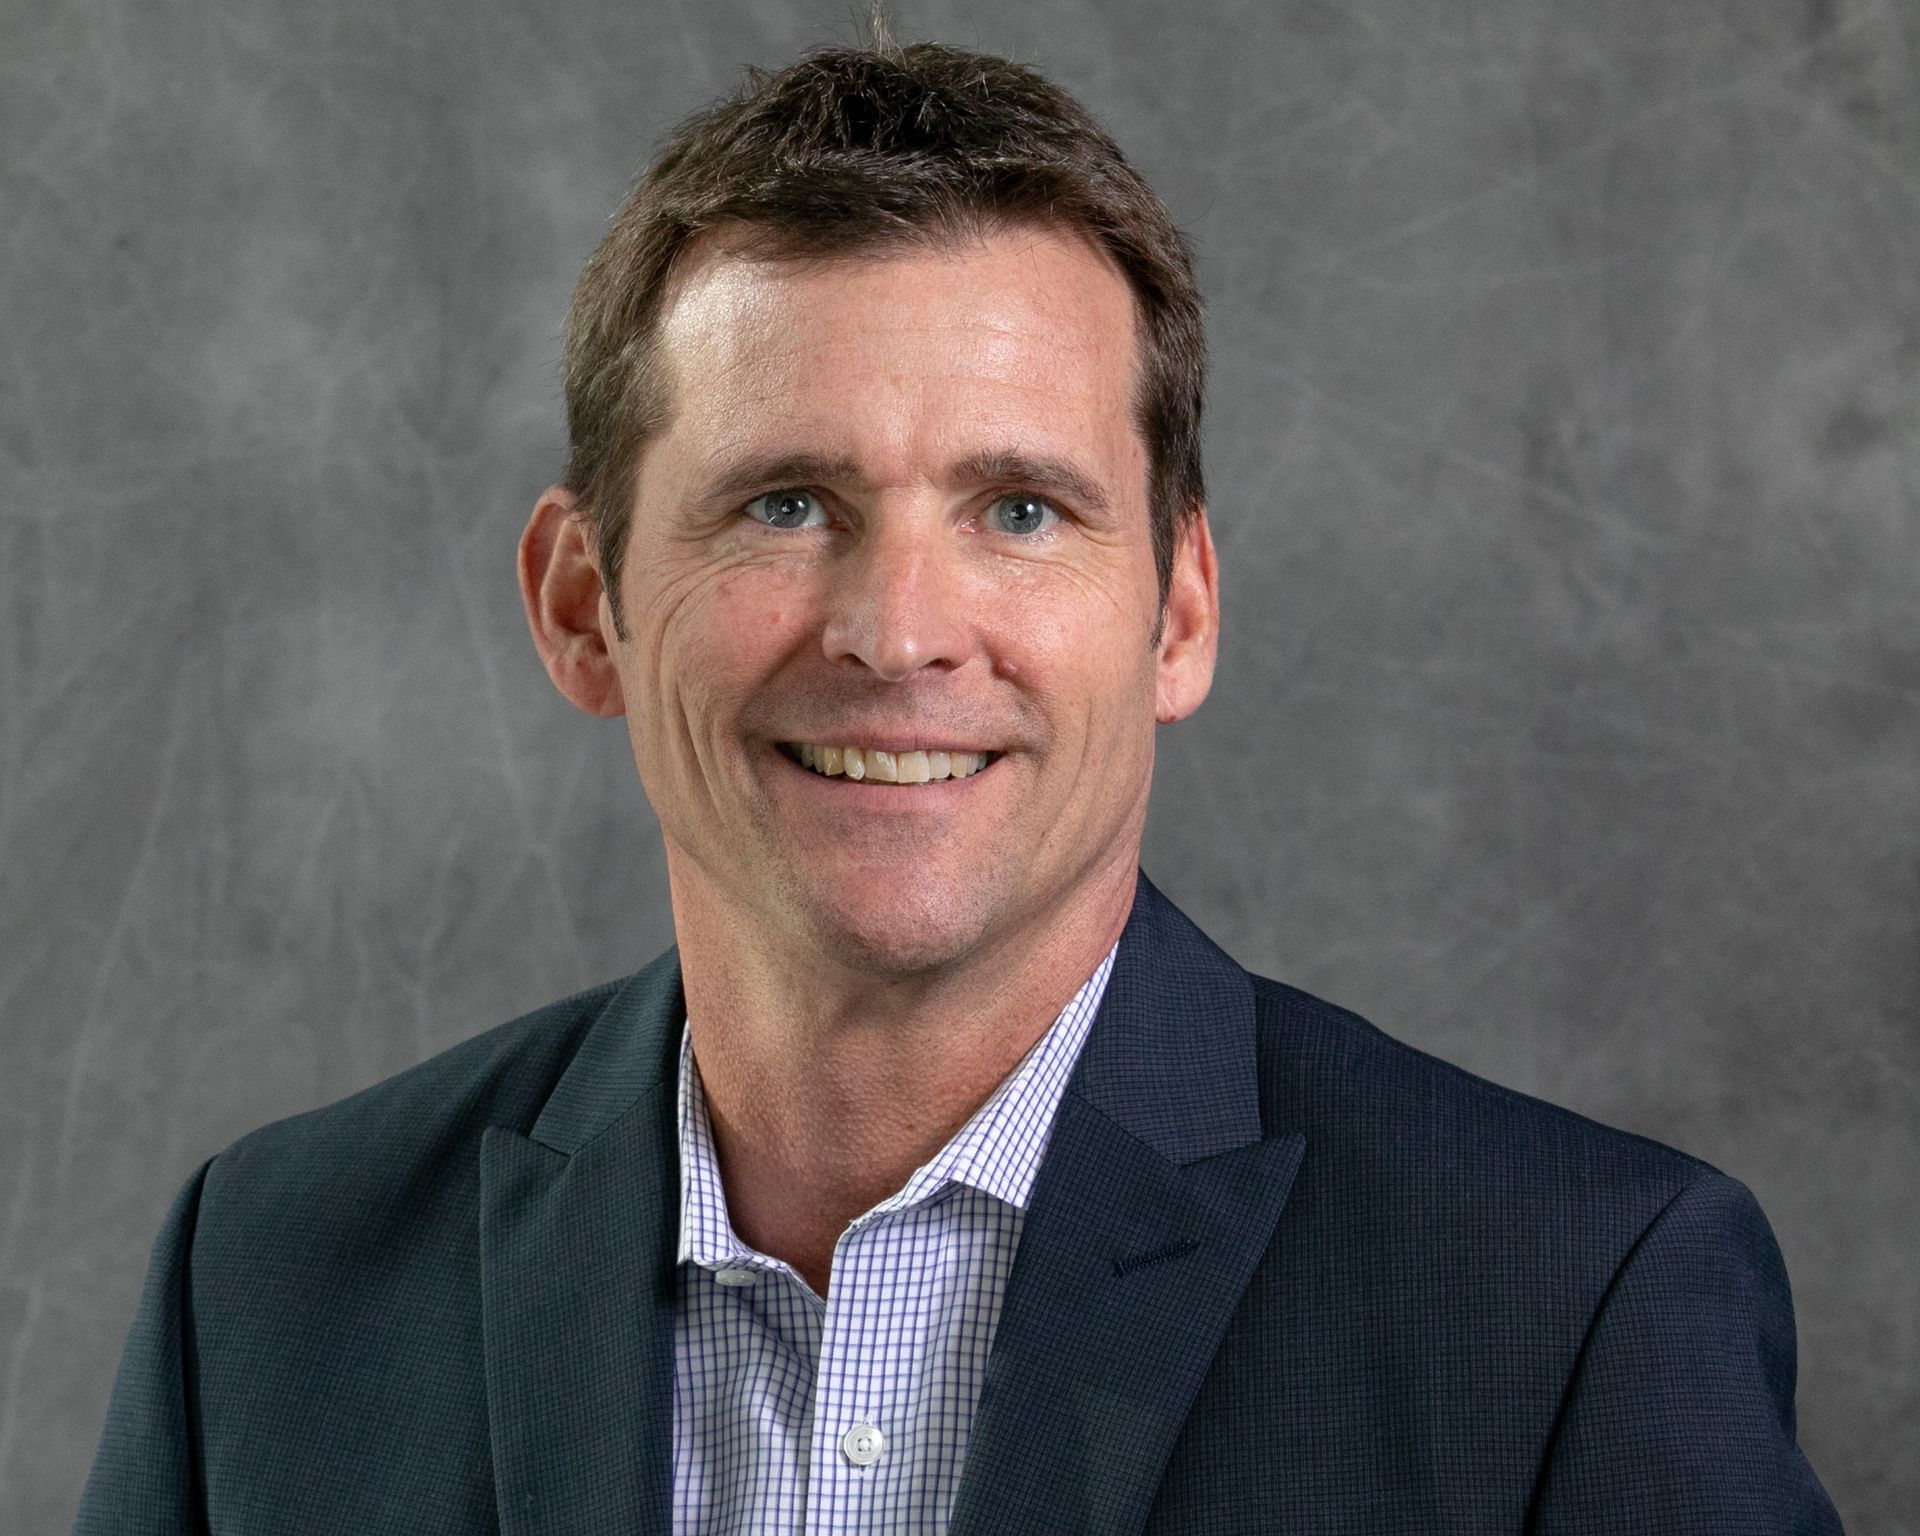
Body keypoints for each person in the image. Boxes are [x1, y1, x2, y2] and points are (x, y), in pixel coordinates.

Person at [77, 30, 1842, 1536]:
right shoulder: (268, 1288)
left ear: (1180, 612)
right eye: (786, 503)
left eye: (1019, 509)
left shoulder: (1573, 1309)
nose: (901, 633)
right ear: (579, 603)